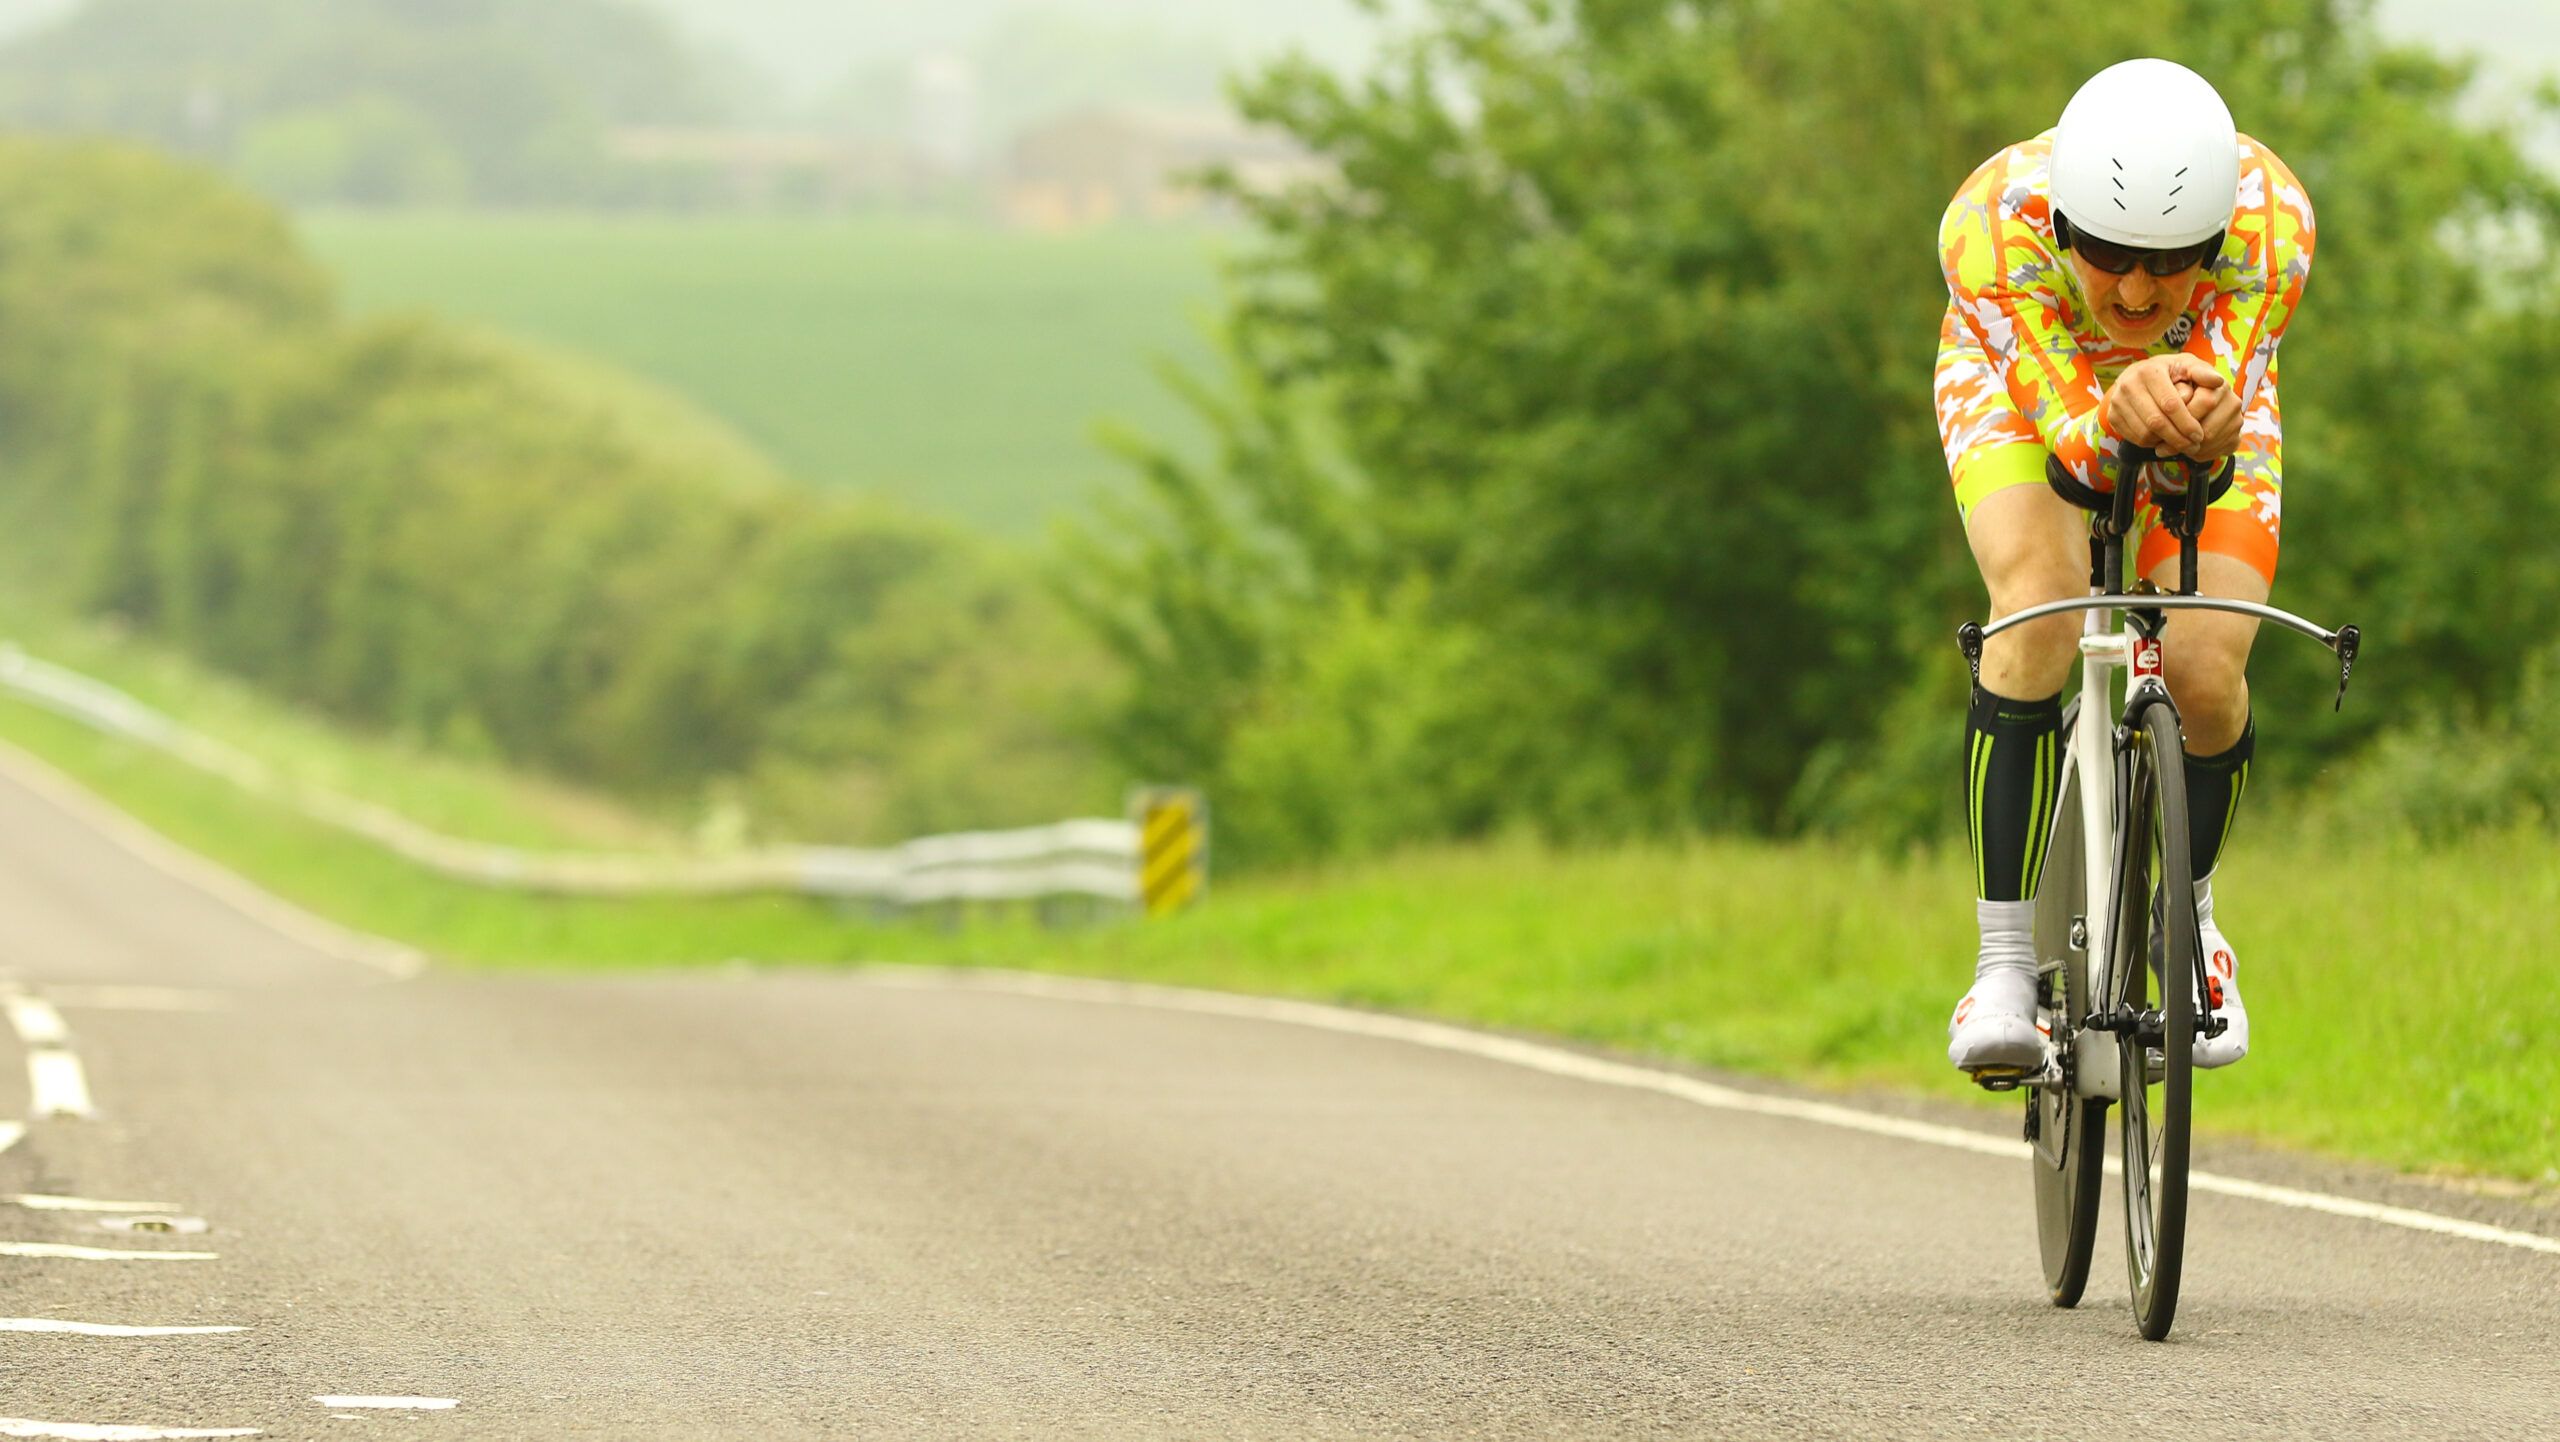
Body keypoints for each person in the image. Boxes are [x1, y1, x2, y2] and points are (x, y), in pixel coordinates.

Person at [1933, 58, 2315, 1078]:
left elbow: (2211, 413)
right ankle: (2003, 963)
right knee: (2036, 606)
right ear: (2060, 223)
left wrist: (2204, 425)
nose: (2139, 288)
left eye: (2173, 258)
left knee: (2204, 667)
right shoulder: (1988, 227)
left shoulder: (2274, 222)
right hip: (2028, 387)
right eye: (2105, 253)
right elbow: (2072, 445)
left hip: (2201, 400)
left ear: (2219, 238)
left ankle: (2187, 923)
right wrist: (2117, 408)